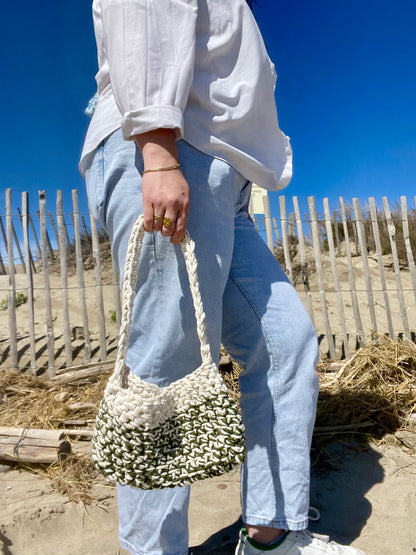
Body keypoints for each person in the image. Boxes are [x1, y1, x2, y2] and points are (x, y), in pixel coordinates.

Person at [80, 1, 366, 554]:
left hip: (218, 171)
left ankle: (270, 533)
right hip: (171, 144)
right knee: (164, 365)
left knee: (285, 341)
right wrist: (159, 153)